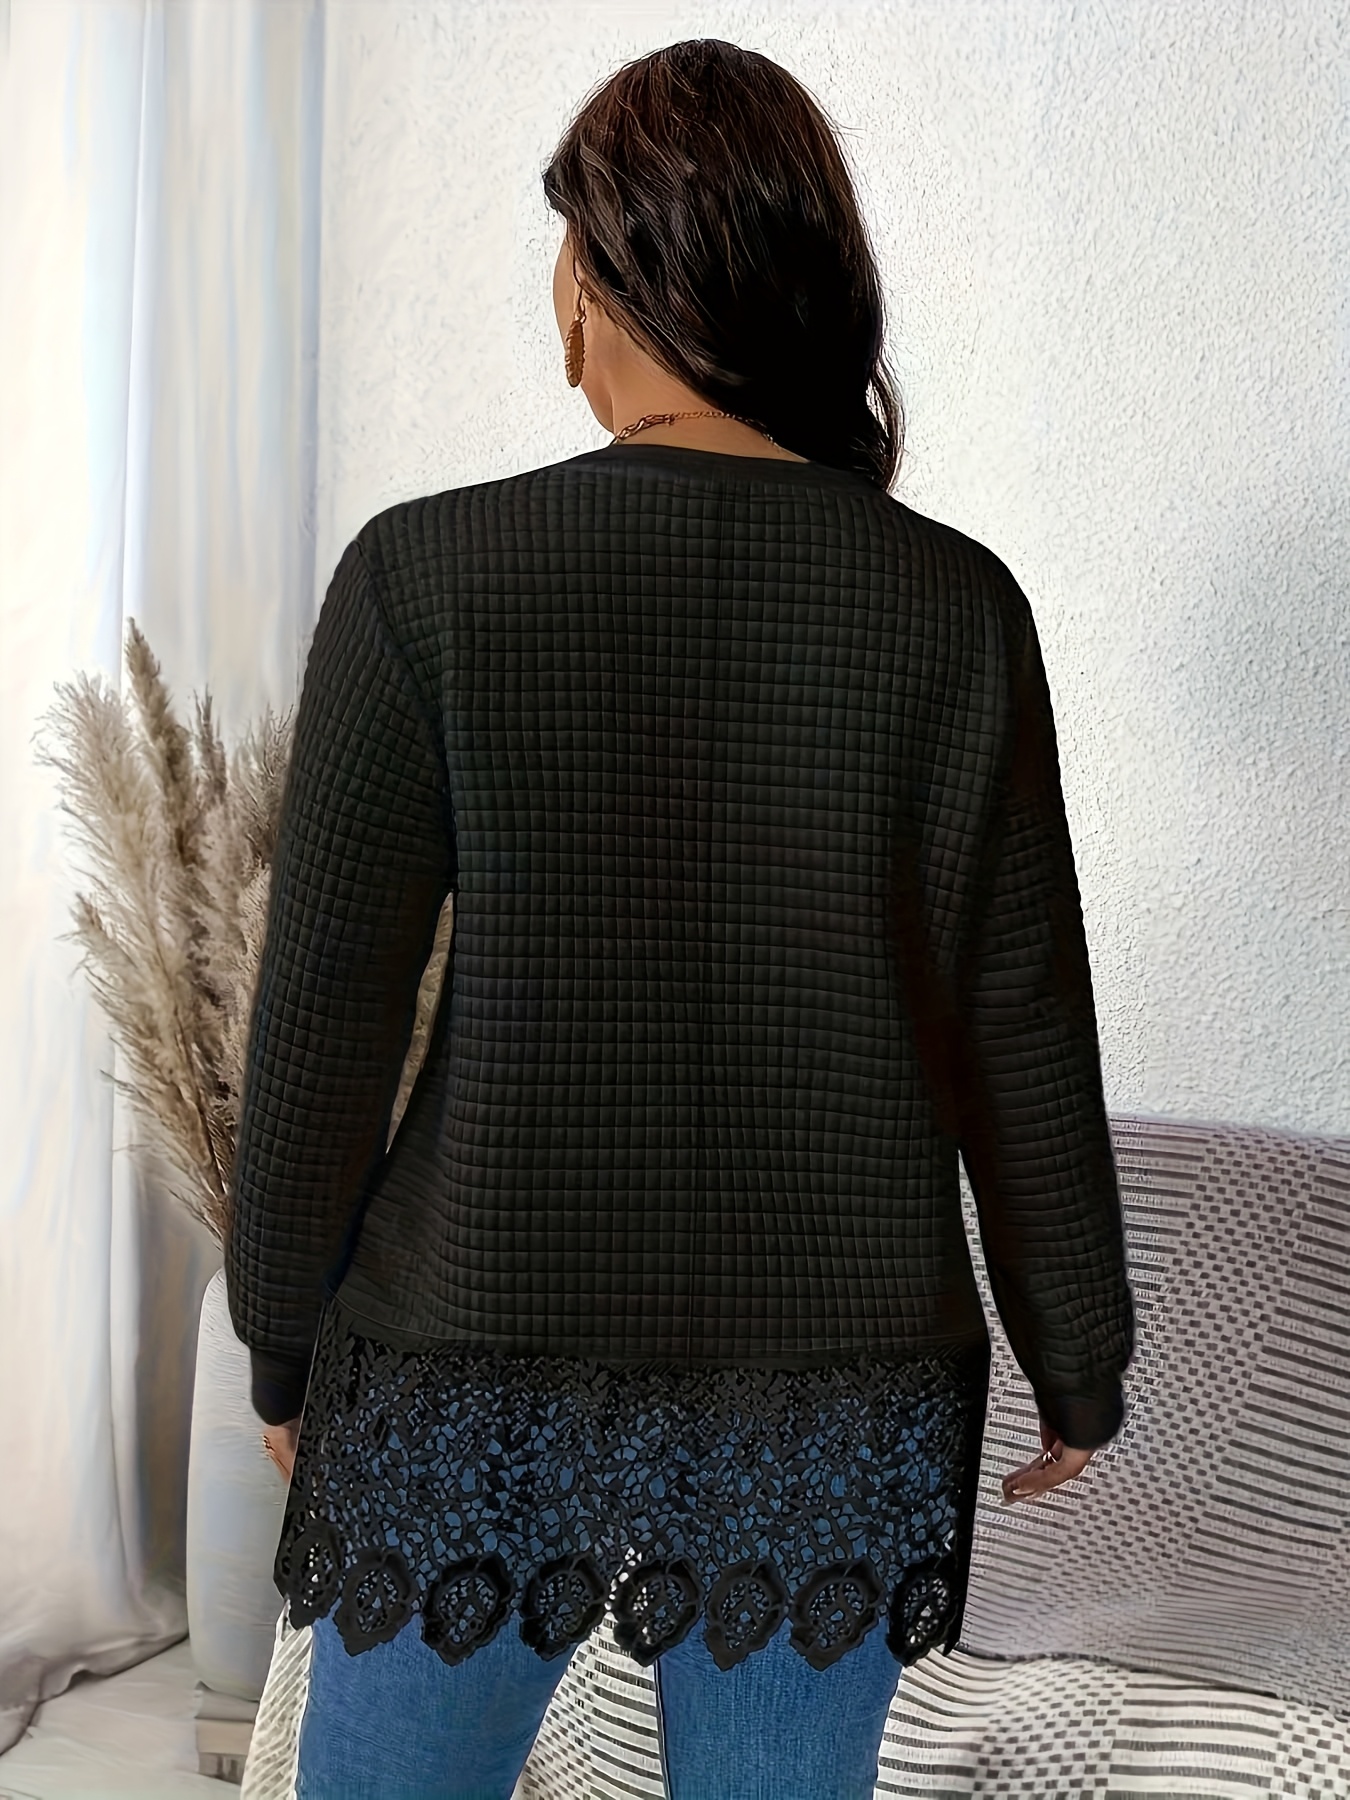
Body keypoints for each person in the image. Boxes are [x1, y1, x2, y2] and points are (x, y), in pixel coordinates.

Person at [229, 36, 1134, 1800]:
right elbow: (1015, 1018)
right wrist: (1077, 1359)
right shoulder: (952, 609)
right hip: (830, 1383)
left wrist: (281, 1327)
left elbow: (324, 1009)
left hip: (474, 1340)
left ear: (600, 276)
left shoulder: (425, 576)